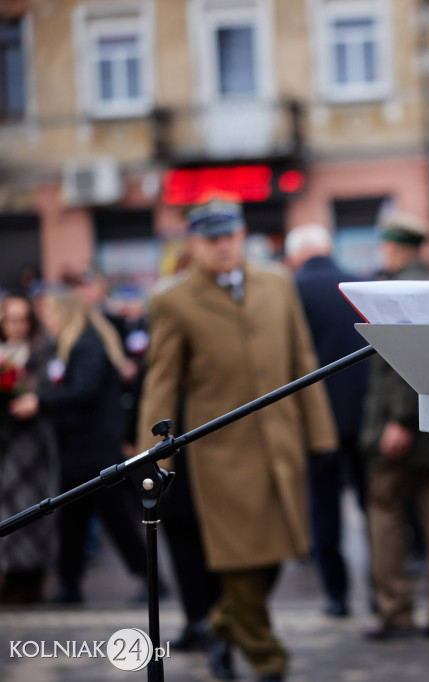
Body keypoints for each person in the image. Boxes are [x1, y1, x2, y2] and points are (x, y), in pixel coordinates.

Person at [136, 199, 338, 682]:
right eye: (212, 239)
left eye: (230, 235)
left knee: (279, 554)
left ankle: (220, 626)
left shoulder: (278, 283)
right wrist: (153, 456)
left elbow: (303, 360)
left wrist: (321, 434)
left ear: (243, 235)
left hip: (281, 445)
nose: (223, 246)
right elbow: (162, 381)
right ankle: (269, 661)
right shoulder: (174, 300)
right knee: (243, 562)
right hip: (222, 456)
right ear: (194, 244)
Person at [9, 289, 150, 605]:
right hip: (83, 447)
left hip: (94, 448)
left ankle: (148, 578)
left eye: (50, 314)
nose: (47, 321)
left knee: (111, 518)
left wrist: (40, 401)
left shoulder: (85, 345)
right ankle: (70, 584)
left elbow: (84, 390)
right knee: (73, 518)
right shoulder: (73, 344)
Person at [360, 212, 429, 640]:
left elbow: (406, 361)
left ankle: (395, 610)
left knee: (386, 517)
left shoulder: (398, 292)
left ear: (393, 248)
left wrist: (401, 419)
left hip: (399, 428)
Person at [284, 223, 370, 618]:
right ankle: (380, 594)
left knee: (325, 508)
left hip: (317, 420)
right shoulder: (360, 284)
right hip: (363, 415)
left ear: (297, 254)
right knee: (374, 508)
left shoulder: (294, 290)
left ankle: (337, 595)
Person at [0, 292, 58, 603]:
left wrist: (30, 393)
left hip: (31, 445)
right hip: (5, 441)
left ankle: (30, 577)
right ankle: (11, 574)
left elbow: (48, 388)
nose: (16, 326)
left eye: (22, 320)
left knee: (29, 509)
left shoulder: (41, 351)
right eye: (11, 320)